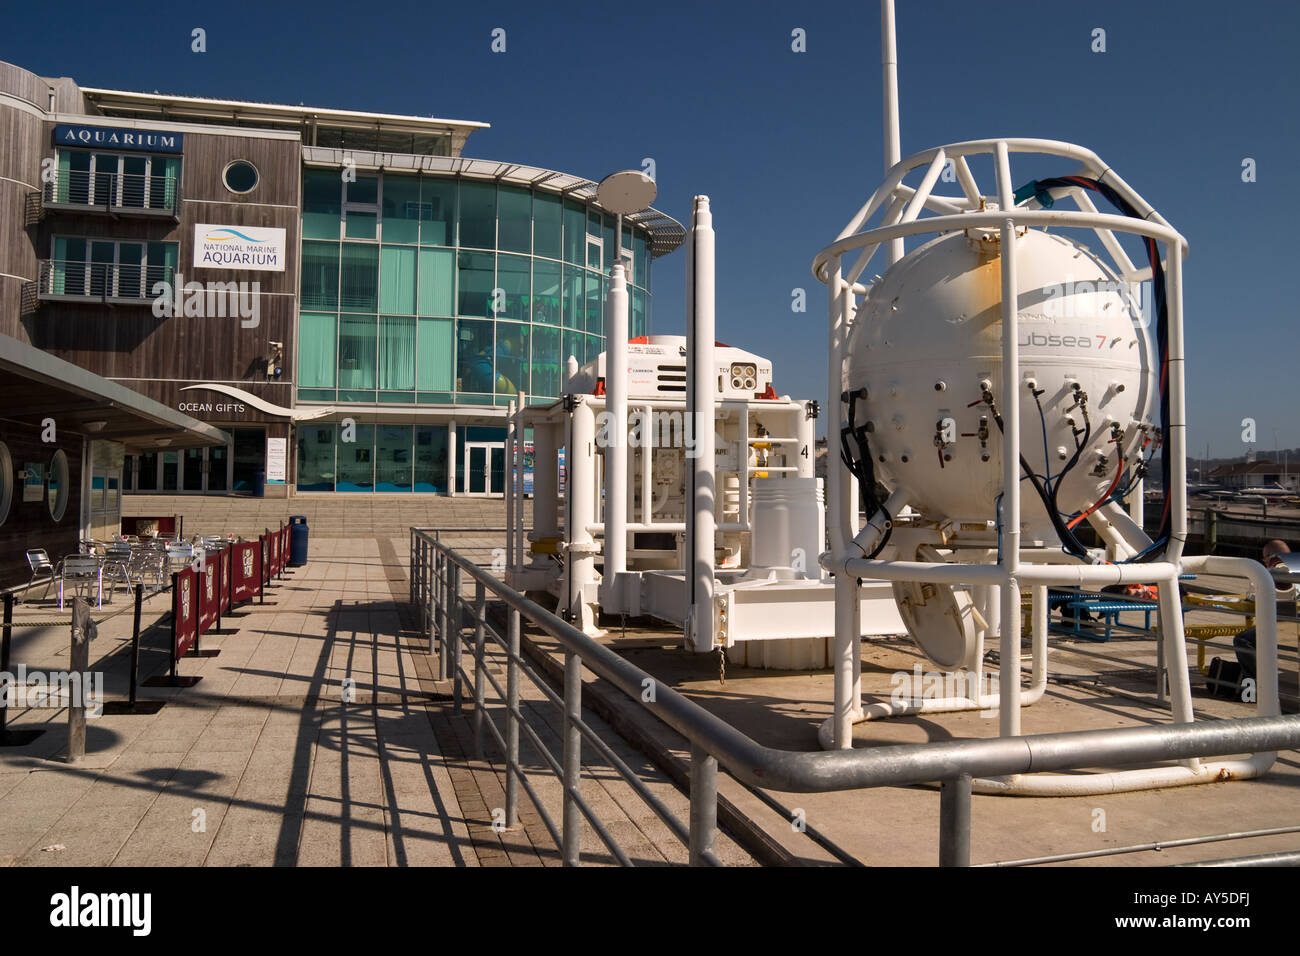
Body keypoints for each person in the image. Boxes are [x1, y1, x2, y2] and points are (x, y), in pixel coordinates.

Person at [1231, 539, 1293, 681]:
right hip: (1292, 623)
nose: (1264, 562)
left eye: (1265, 558)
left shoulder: (1272, 573)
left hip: (1286, 627)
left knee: (1242, 639)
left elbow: (1255, 598)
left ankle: (1261, 683)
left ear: (1271, 556)